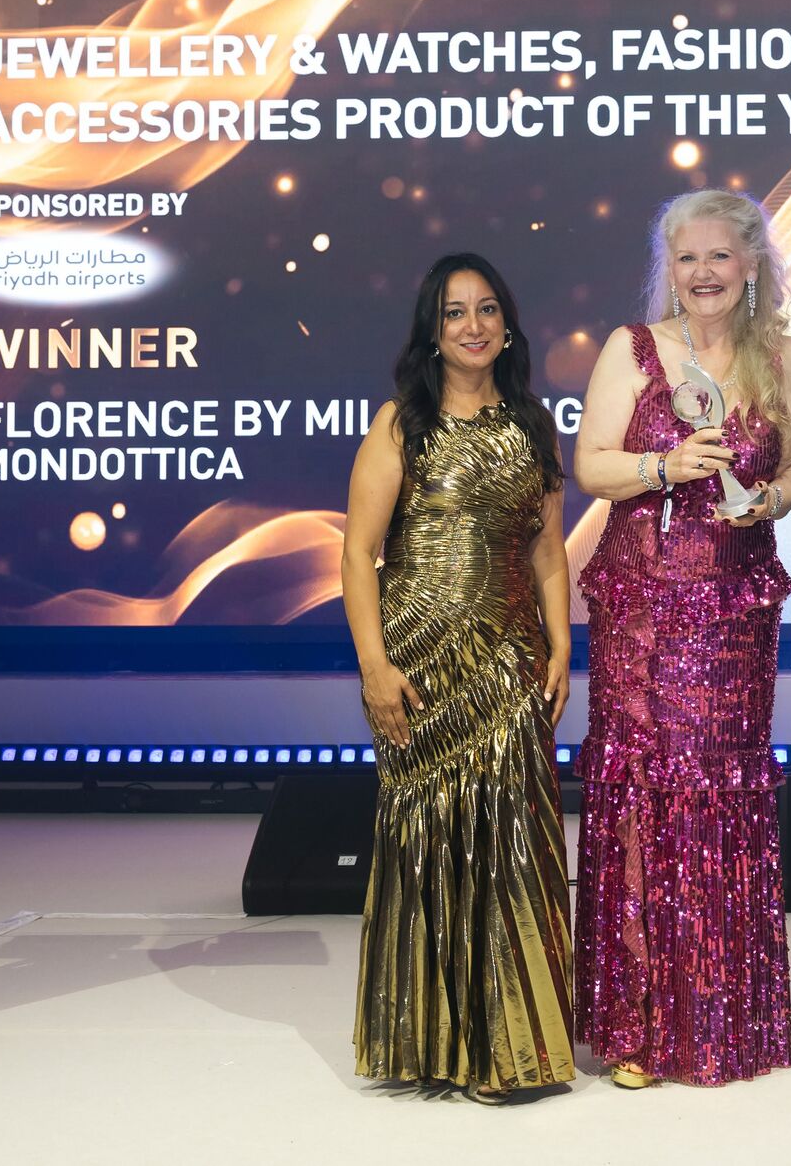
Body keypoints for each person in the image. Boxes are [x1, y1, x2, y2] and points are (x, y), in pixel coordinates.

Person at [572, 189, 791, 1088]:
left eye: (720, 256)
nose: (704, 273)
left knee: (720, 802)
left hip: (734, 612)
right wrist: (662, 466)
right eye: (687, 258)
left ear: (751, 266)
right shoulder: (633, 350)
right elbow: (590, 464)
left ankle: (716, 1015)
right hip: (643, 608)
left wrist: (768, 498)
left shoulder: (786, 357)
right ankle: (637, 1024)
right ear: (668, 269)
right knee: (645, 795)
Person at [344, 253, 575, 1102]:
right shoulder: (401, 425)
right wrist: (375, 666)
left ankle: (512, 1048)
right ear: (432, 331)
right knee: (428, 843)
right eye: (453, 312)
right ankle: (433, 1043)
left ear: (506, 325)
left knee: (512, 841)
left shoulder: (533, 425)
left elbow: (547, 550)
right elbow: (357, 554)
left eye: (485, 309)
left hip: (510, 663)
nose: (472, 325)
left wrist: (561, 645)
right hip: (416, 669)